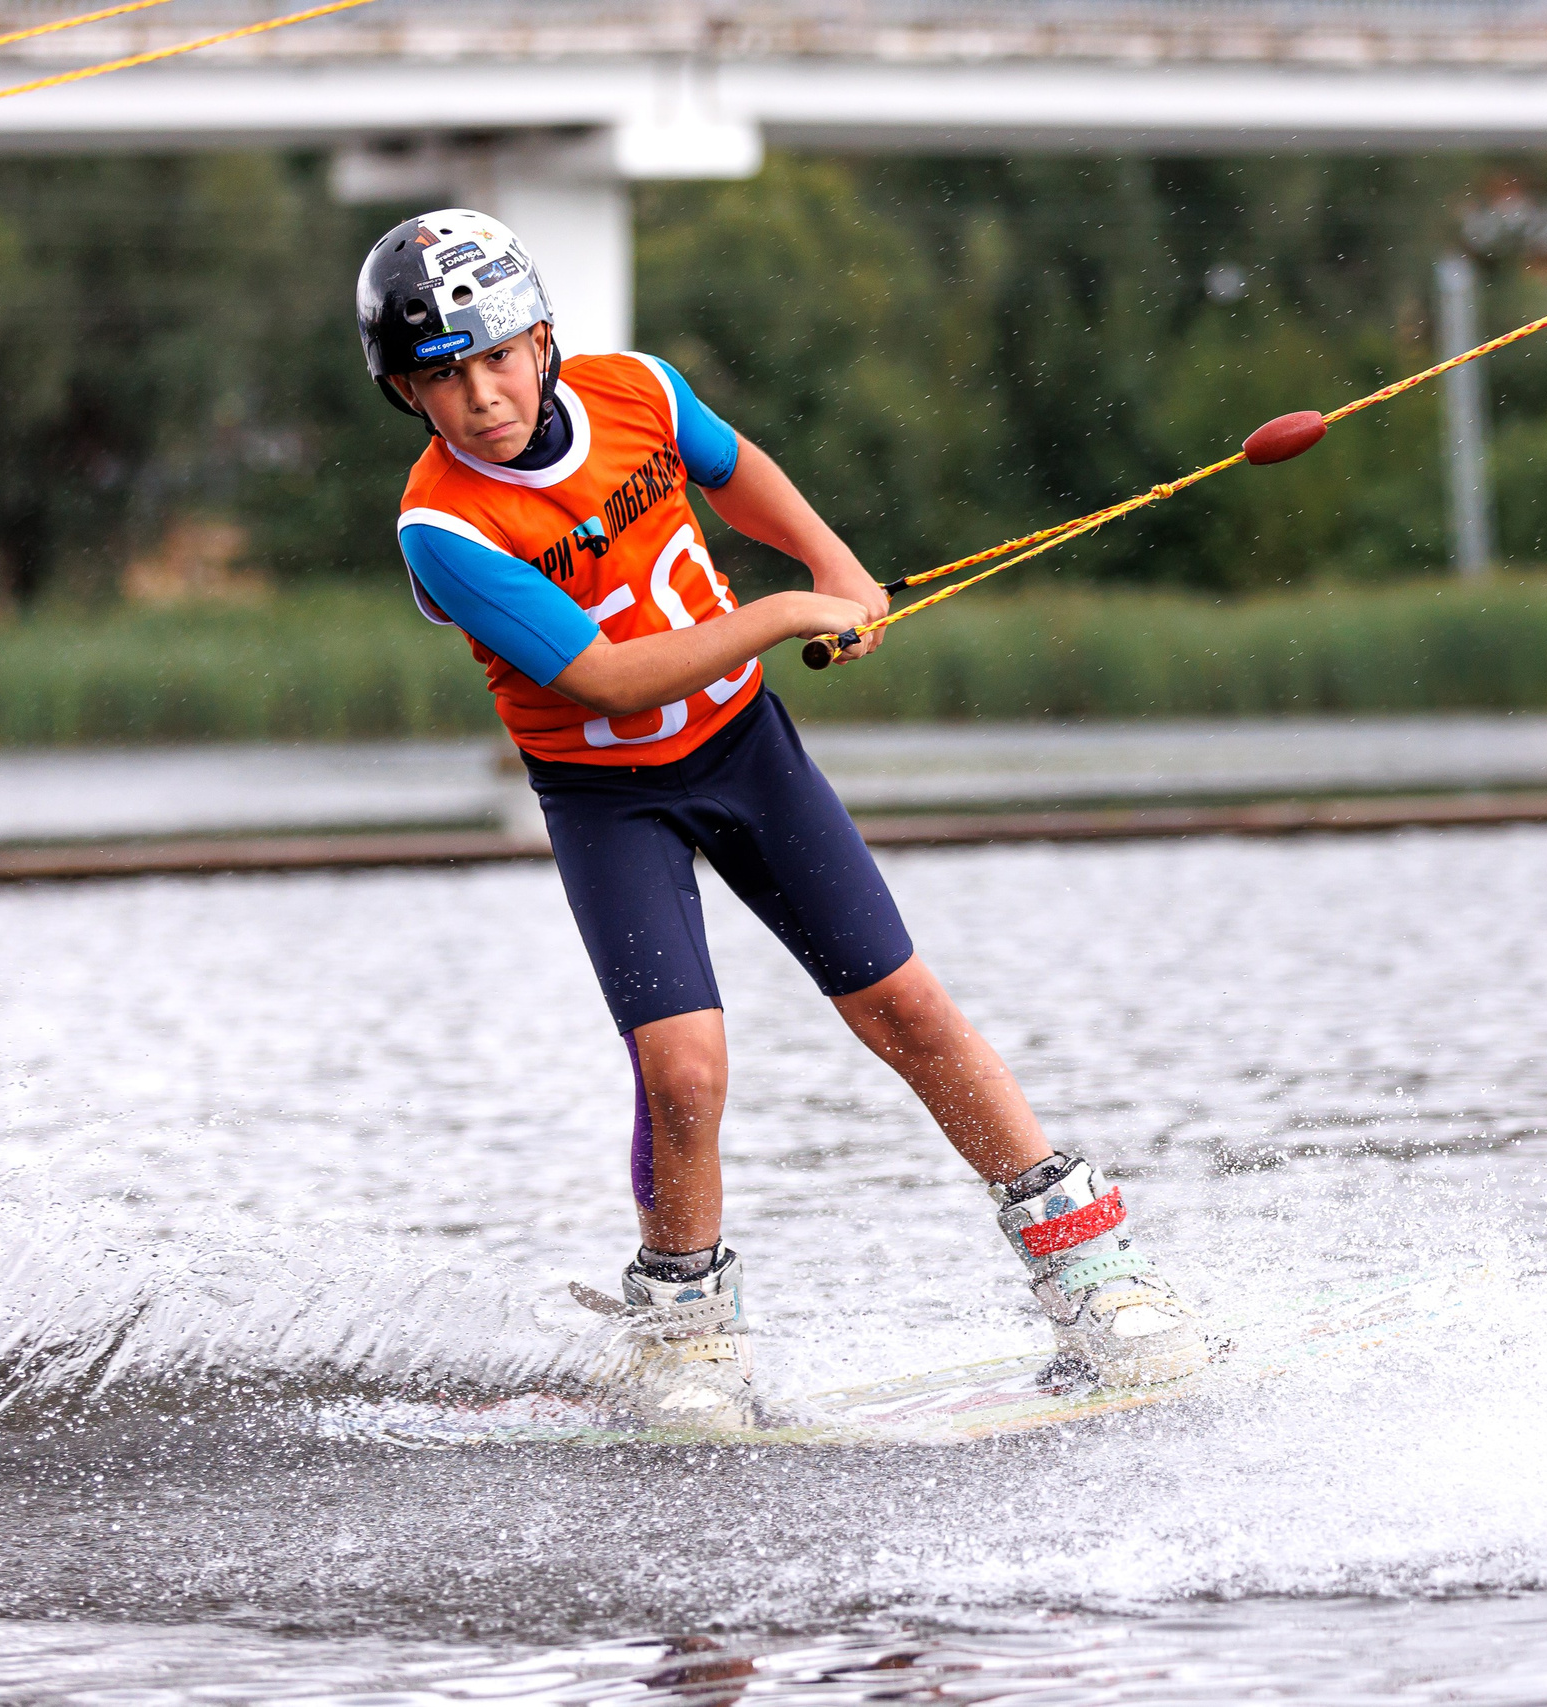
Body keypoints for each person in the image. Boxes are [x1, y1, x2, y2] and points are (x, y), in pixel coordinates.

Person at [356, 209, 1205, 1428]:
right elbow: (602, 680)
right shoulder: (440, 530)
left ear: (542, 341)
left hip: (748, 753)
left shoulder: (638, 389)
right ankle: (686, 1334)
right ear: (407, 396)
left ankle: (1089, 1272)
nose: (480, 396)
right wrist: (787, 613)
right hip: (611, 799)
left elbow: (737, 472)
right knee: (683, 1069)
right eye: (441, 379)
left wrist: (842, 572)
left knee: (905, 1008)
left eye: (496, 357)